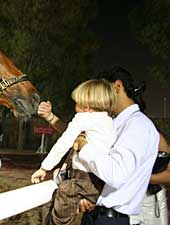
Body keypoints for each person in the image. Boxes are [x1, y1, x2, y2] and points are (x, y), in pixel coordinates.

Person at [38, 67, 160, 225]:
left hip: (109, 218)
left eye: (102, 89)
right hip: (96, 214)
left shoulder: (138, 126)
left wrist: (83, 148)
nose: (99, 95)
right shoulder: (111, 122)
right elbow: (77, 133)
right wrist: (51, 118)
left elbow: (116, 174)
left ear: (117, 87)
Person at [31, 79, 117, 225]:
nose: (74, 108)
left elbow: (64, 143)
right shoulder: (110, 122)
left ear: (86, 107)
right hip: (99, 183)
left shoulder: (82, 118)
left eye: (76, 103)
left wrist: (44, 167)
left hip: (80, 180)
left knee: (59, 214)